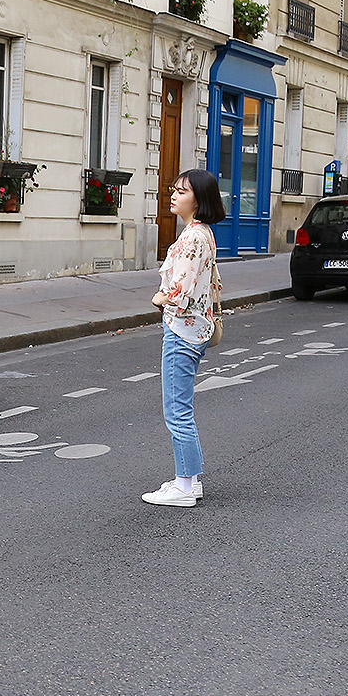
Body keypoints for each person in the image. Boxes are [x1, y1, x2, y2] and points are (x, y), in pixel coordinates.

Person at [143, 168, 225, 508]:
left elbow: (181, 292)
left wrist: (159, 298)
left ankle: (184, 487)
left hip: (183, 330)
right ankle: (188, 479)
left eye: (182, 191)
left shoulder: (193, 238)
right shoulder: (202, 233)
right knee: (180, 408)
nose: (174, 196)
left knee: (177, 410)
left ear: (199, 199)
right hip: (196, 329)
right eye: (173, 190)